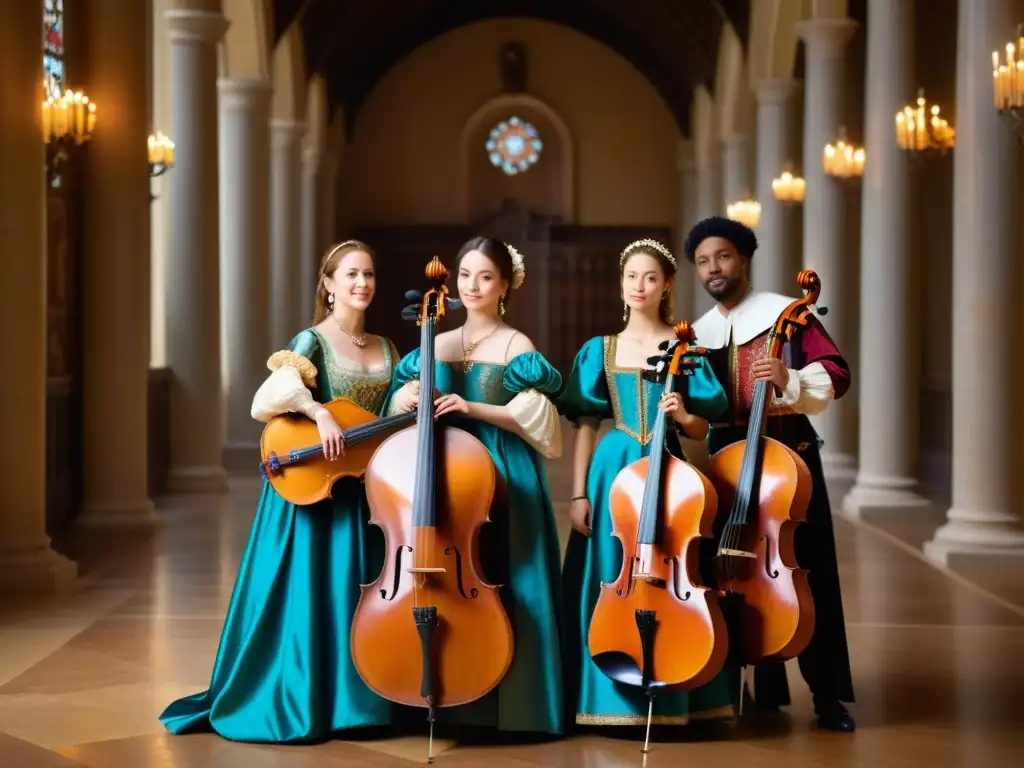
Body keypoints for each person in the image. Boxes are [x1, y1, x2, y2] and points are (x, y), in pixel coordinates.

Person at [159, 240, 401, 742]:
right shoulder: (309, 342)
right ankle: (304, 698)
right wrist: (319, 411)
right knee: (312, 593)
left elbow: (386, 419)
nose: (362, 284)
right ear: (328, 285)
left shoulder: (387, 348)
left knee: (359, 592)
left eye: (369, 275)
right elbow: (268, 398)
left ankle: (359, 701)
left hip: (363, 492)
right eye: (351, 275)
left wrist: (411, 398)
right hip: (313, 489)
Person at [383, 237, 565, 736]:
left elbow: (536, 418)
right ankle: (446, 688)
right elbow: (396, 403)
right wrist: (407, 395)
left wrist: (471, 408)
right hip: (443, 468)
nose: (473, 286)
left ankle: (517, 703)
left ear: (506, 284)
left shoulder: (517, 346)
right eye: (465, 275)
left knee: (509, 575)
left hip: (502, 468)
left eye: (485, 277)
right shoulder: (435, 340)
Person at [558, 238, 738, 728]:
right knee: (609, 575)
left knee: (674, 570)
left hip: (670, 470)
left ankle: (683, 680)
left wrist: (683, 415)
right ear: (621, 285)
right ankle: (605, 699)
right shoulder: (600, 349)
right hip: (611, 469)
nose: (640, 286)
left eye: (650, 278)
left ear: (667, 286)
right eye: (631, 277)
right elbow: (585, 426)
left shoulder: (688, 350)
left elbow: (709, 426)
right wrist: (578, 494)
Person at [686, 216, 856, 732]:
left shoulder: (788, 314)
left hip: (788, 460)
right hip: (726, 461)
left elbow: (837, 374)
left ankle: (828, 697)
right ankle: (750, 688)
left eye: (723, 257)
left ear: (743, 259)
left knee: (808, 571)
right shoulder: (697, 331)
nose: (714, 269)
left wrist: (788, 376)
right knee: (731, 574)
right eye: (703, 262)